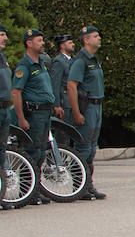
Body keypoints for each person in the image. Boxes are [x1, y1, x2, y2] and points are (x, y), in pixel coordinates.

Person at [13, 28, 58, 203]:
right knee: (32, 152)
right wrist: (21, 118)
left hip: (45, 112)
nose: (43, 43)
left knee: (40, 152)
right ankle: (27, 191)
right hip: (34, 113)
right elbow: (16, 92)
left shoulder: (41, 63)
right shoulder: (24, 66)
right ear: (29, 43)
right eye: (39, 40)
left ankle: (35, 189)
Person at [66, 25, 107, 199]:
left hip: (97, 106)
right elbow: (71, 86)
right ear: (86, 40)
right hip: (87, 107)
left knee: (91, 148)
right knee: (84, 147)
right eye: (95, 36)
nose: (99, 38)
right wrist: (76, 113)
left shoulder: (93, 59)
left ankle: (88, 184)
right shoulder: (80, 60)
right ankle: (80, 185)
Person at [50, 34, 76, 122]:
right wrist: (56, 105)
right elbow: (55, 84)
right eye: (70, 43)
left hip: (73, 101)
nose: (73, 44)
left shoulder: (72, 61)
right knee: (63, 132)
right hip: (64, 102)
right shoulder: (59, 61)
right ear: (62, 45)